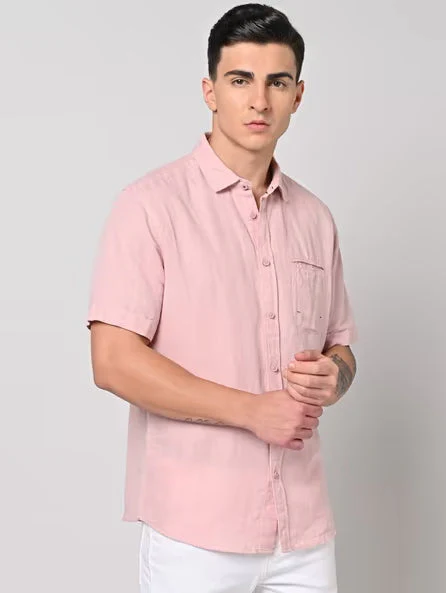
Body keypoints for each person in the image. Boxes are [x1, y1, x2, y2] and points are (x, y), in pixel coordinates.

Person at [86, 3, 358, 592]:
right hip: (195, 531)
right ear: (210, 91)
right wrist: (252, 410)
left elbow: (341, 349)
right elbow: (112, 362)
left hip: (304, 530)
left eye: (277, 82)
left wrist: (333, 377)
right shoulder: (150, 206)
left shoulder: (315, 218)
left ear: (298, 95)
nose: (259, 100)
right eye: (240, 80)